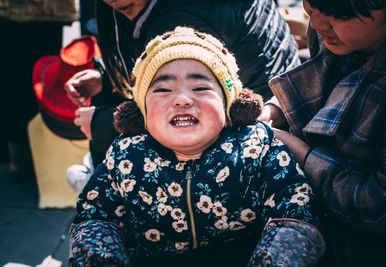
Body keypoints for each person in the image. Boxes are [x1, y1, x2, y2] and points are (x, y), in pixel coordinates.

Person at [68, 26, 325, 267]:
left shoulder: (257, 147)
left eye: (200, 87)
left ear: (231, 107)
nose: (181, 99)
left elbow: (295, 208)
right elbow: (96, 217)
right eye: (163, 89)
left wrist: (273, 260)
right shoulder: (125, 156)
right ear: (141, 113)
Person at [64, 0, 301, 191]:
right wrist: (106, 78)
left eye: (198, 88)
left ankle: (102, 180)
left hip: (248, 127)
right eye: (163, 88)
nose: (112, 1)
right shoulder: (157, 11)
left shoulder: (182, 22)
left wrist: (101, 126)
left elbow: (186, 124)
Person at [262, 0, 386, 266]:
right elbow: (318, 80)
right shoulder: (338, 35)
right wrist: (272, 110)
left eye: (338, 14)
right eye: (311, 5)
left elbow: (385, 208)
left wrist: (300, 153)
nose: (316, 23)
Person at [0, 0, 78, 177]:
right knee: (23, 83)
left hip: (44, 13)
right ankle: (23, 157)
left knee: (38, 82)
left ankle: (28, 158)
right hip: (35, 12)